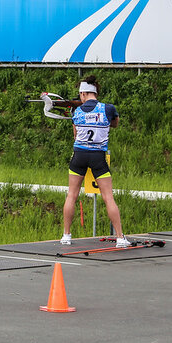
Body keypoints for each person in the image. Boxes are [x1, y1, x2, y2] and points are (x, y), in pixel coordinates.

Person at [60, 75, 129, 248]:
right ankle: (120, 238)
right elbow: (115, 125)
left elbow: (75, 136)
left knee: (72, 195)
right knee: (108, 197)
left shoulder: (76, 111)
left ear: (83, 93)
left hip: (79, 155)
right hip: (98, 156)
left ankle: (66, 235)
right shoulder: (109, 108)